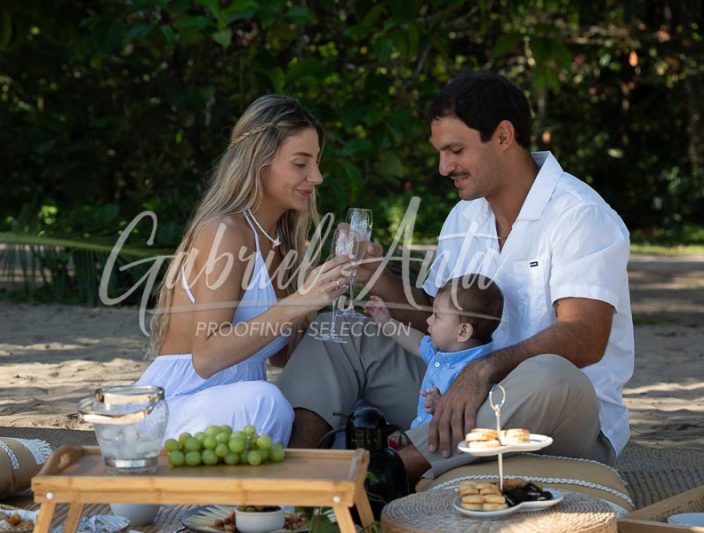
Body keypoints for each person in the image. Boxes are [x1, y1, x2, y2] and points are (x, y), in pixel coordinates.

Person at [276, 71, 634, 487]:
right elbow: (436, 320)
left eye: (456, 150)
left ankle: (387, 476)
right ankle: (293, 481)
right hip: (458, 399)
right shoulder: (465, 215)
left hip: (555, 415)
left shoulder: (579, 215)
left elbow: (586, 336)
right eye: (440, 152)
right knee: (337, 328)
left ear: (503, 136)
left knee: (552, 374)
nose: (444, 166)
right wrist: (376, 276)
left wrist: (481, 371)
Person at [138, 95, 353, 445]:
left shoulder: (282, 244)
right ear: (259, 162)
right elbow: (206, 358)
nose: (317, 177)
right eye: (301, 163)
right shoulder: (225, 233)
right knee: (268, 402)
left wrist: (328, 310)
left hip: (232, 413)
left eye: (316, 162)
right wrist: (301, 300)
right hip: (177, 408)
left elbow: (283, 355)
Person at [364, 274, 504, 431]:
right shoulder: (444, 352)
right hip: (418, 433)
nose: (428, 321)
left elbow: (476, 418)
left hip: (440, 445)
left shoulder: (475, 375)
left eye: (436, 316)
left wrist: (442, 404)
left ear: (463, 331)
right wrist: (386, 322)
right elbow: (417, 343)